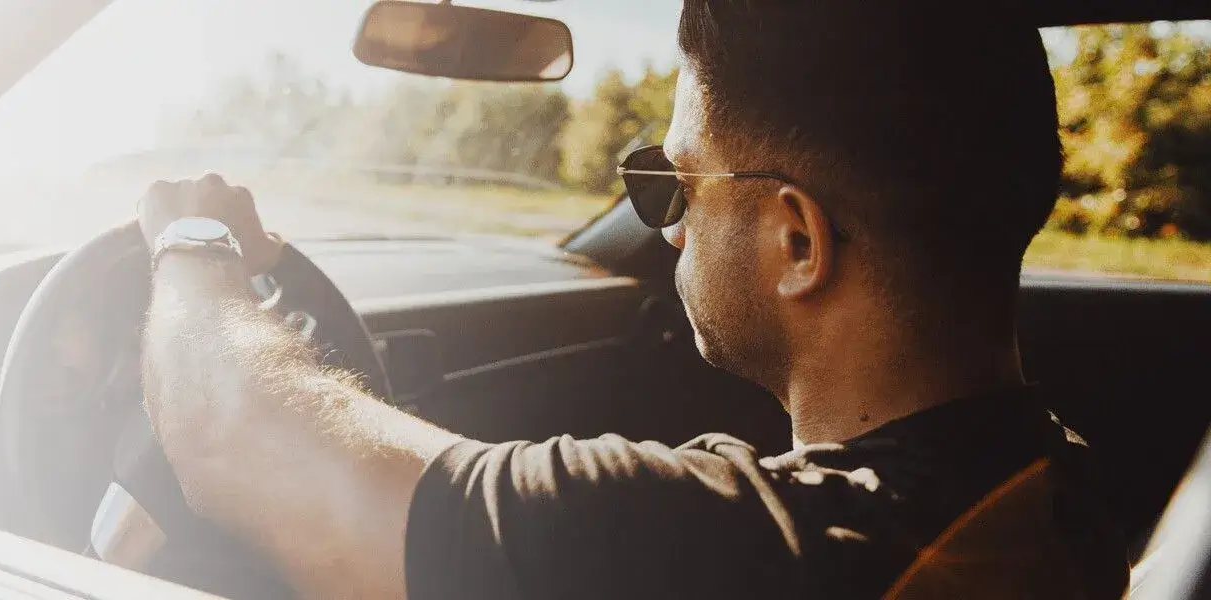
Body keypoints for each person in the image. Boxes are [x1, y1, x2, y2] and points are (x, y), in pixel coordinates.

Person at [132, 1, 1127, 598]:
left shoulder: (726, 548)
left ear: (795, 240)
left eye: (672, 183)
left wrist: (194, 245)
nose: (667, 224)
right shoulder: (1063, 482)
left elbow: (231, 439)